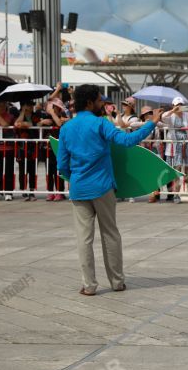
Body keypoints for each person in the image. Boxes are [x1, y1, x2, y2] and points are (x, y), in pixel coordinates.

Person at [57, 84, 163, 296]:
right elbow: (127, 140)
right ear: (89, 102)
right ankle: (116, 281)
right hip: (103, 187)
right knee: (110, 235)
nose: (102, 104)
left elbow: (62, 165)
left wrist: (76, 177)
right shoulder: (100, 124)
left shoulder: (66, 128)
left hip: (79, 189)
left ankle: (89, 285)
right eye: (99, 100)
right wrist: (151, 123)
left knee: (84, 239)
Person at [161, 97, 188, 204]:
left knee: (187, 170)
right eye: (177, 105)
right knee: (176, 170)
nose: (179, 107)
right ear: (173, 105)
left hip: (186, 145)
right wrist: (173, 111)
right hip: (174, 146)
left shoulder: (186, 115)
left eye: (181, 104)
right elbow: (163, 118)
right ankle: (176, 194)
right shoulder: (170, 115)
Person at [14, 101, 44, 201]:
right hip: (22, 147)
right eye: (28, 104)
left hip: (33, 146)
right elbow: (17, 124)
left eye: (31, 105)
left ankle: (31, 191)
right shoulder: (18, 114)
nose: (30, 107)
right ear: (23, 106)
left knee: (32, 170)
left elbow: (38, 125)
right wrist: (22, 113)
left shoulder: (35, 115)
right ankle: (23, 190)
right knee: (22, 170)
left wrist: (28, 124)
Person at [44, 98, 69, 201]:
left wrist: (53, 114)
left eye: (56, 107)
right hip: (48, 147)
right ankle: (50, 192)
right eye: (53, 106)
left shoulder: (63, 115)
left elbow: (59, 123)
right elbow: (38, 124)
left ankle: (60, 192)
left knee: (59, 170)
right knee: (49, 171)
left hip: (59, 147)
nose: (54, 109)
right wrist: (42, 122)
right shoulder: (46, 116)